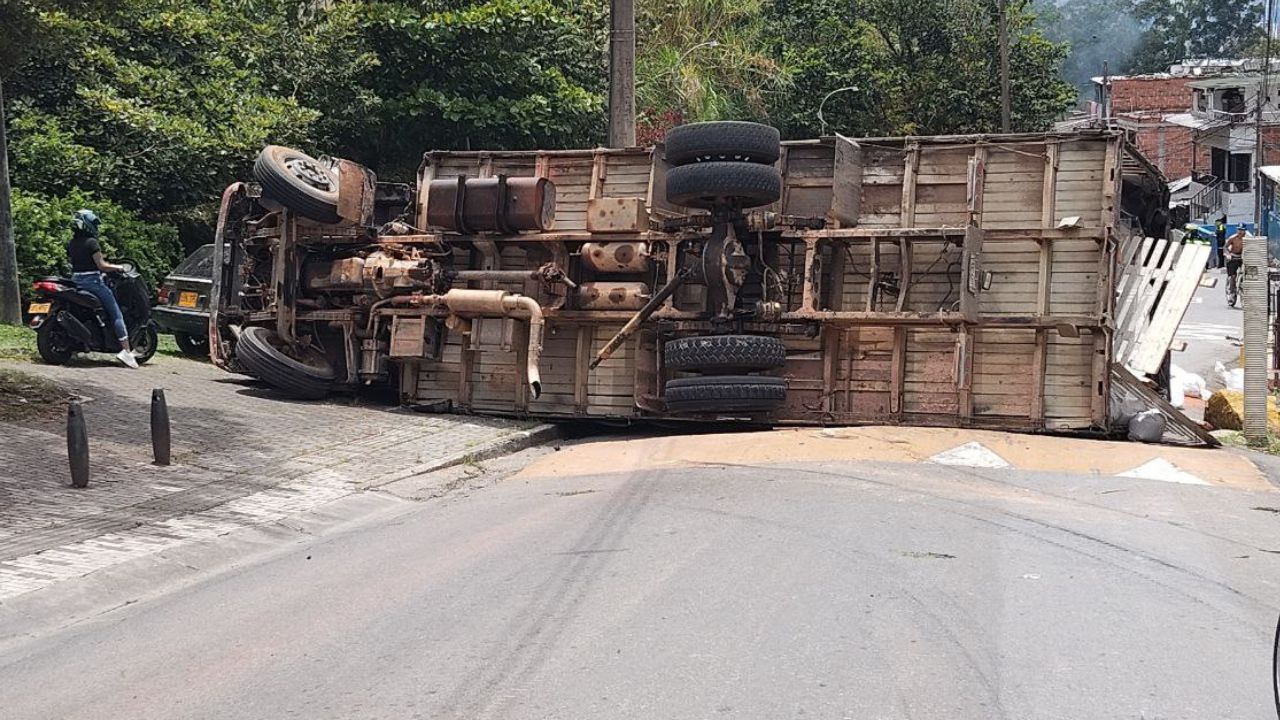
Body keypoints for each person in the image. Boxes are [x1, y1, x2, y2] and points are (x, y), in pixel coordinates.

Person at [67, 209, 138, 368]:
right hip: (93, 282)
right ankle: (126, 351)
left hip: (75, 280)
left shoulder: (72, 243)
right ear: (87, 225)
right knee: (116, 313)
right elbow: (102, 266)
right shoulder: (91, 243)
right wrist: (119, 267)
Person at [1225, 226, 1246, 307]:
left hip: (1242, 257)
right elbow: (1225, 247)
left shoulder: (1248, 238)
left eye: (1242, 230)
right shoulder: (1232, 238)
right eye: (1239, 230)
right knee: (1232, 276)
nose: (1240, 232)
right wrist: (1228, 255)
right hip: (1233, 257)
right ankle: (1231, 293)